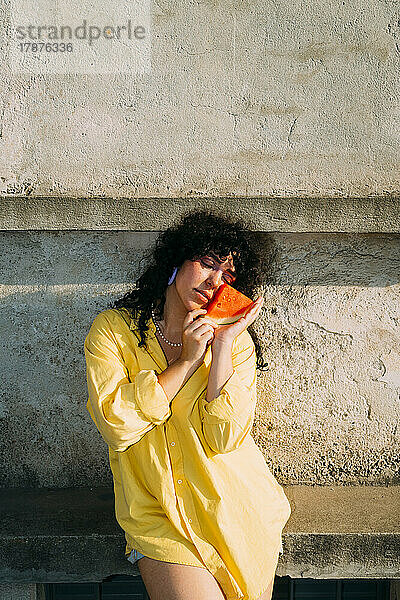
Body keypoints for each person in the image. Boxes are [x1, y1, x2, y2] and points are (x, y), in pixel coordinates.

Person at [84, 209, 292, 600]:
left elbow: (224, 437)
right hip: (157, 515)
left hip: (235, 511)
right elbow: (116, 424)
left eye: (228, 276)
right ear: (175, 261)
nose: (215, 281)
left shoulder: (235, 346)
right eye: (207, 264)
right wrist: (185, 363)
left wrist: (224, 345)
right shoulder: (114, 332)